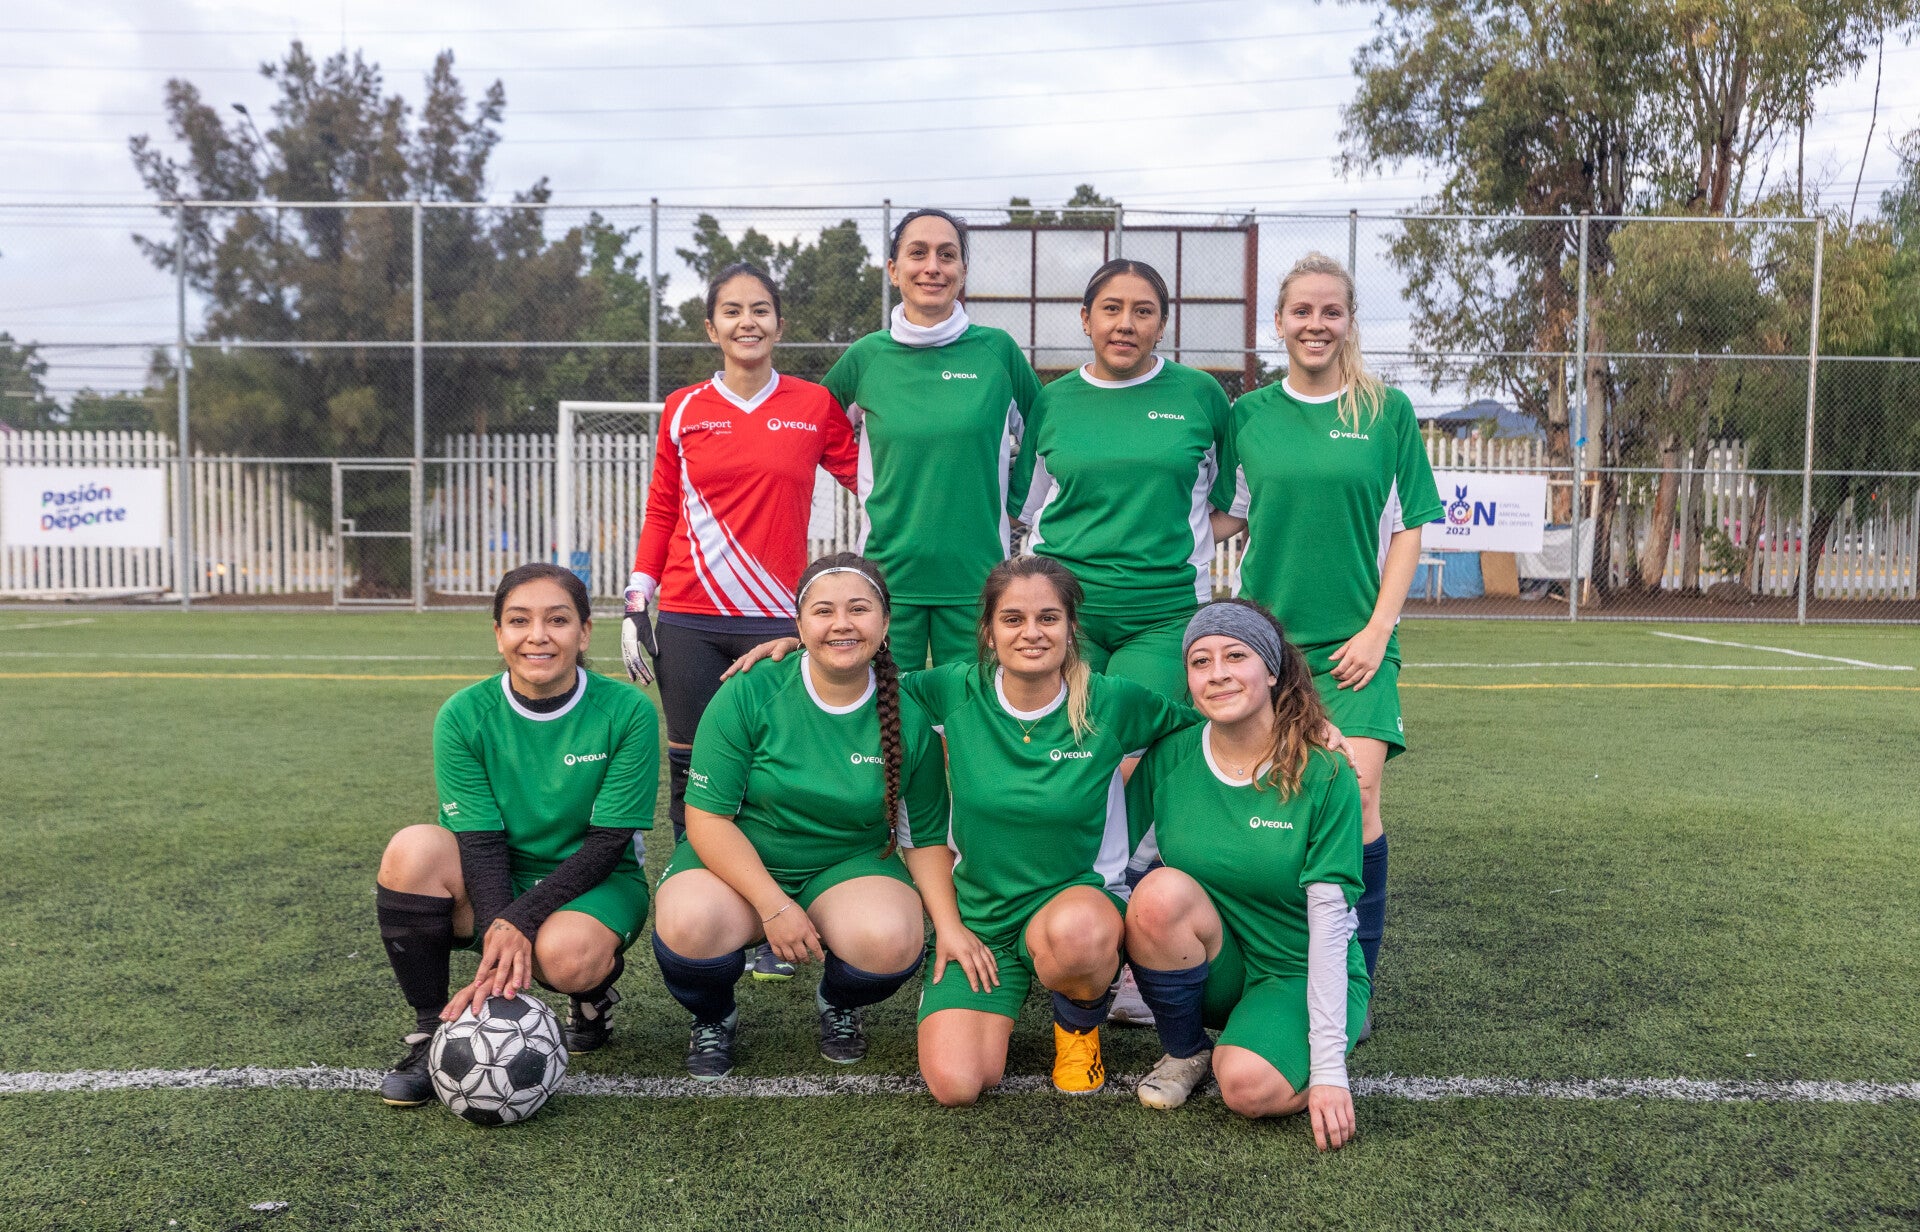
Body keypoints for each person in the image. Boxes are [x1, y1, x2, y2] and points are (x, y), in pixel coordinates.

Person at [1213, 252, 1442, 1038]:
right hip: (1263, 647)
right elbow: (1224, 515)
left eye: (1331, 311)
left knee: (1359, 793)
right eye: (1302, 311)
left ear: (1349, 322)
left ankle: (1353, 985)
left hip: (1354, 649)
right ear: (1278, 322)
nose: (1316, 324)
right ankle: (1264, 967)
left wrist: (1378, 629)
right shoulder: (1248, 415)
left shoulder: (1387, 412)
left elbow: (1410, 525)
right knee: (1269, 801)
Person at [622, 261, 858, 981]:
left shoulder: (815, 404)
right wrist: (637, 600)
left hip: (779, 622)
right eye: (732, 310)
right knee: (693, 770)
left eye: (760, 309)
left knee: (771, 774)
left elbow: (878, 486)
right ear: (711, 327)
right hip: (689, 618)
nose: (747, 322)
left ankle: (774, 917)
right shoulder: (684, 408)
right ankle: (701, 910)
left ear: (780, 324)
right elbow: (662, 508)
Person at [649, 554, 954, 1078]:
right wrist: (773, 907)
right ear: (798, 623)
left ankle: (838, 1000)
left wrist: (947, 927)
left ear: (885, 624)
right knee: (689, 921)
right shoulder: (750, 689)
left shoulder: (909, 714)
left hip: (847, 865)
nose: (842, 623)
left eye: (859, 609)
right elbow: (706, 818)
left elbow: (922, 839)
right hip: (741, 861)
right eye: (823, 611)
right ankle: (713, 1015)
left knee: (892, 941)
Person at [373, 563, 658, 1106]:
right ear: (499, 633)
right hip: (498, 871)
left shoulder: (627, 712)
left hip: (596, 879)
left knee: (568, 958)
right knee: (412, 849)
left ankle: (591, 997)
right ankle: (431, 1033)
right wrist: (502, 924)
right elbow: (479, 844)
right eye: (519, 620)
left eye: (558, 620)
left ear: (584, 632)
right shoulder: (464, 714)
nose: (538, 636)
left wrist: (517, 921)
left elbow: (608, 844)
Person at [1122, 599, 1367, 1151]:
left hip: (1297, 970)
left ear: (1272, 670)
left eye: (1236, 656)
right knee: (1158, 893)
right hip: (1217, 963)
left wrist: (1328, 1068)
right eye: (1200, 661)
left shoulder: (1324, 771)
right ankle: (1186, 1050)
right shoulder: (1171, 756)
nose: (1218, 674)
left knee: (1247, 1089)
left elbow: (1331, 922)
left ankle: (1284, 1042)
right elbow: (1116, 872)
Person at [822, 208, 1043, 669]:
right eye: (918, 253)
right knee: (886, 707)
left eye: (947, 255)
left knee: (971, 707)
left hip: (978, 578)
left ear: (962, 270)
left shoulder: (997, 351)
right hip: (885, 579)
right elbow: (815, 426)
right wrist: (868, 486)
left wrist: (1016, 505)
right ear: (893, 269)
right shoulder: (866, 356)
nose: (932, 267)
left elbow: (1046, 431)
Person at [1010, 258, 1236, 703]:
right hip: (1061, 609)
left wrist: (1173, 540)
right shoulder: (1053, 401)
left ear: (1162, 324)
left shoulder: (1200, 395)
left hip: (1165, 611)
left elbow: (1234, 503)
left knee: (1134, 732)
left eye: (1143, 311)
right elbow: (1029, 509)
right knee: (1060, 733)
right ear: (1086, 319)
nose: (1126, 324)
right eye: (1111, 308)